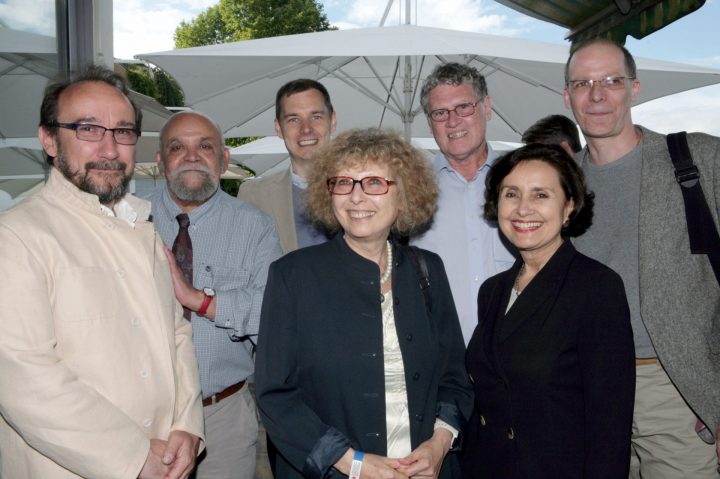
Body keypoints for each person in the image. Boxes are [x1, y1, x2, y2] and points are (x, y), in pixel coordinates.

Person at [0, 65, 204, 479]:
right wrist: (132, 456)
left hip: (166, 460)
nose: (110, 150)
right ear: (49, 140)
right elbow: (24, 377)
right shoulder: (16, 235)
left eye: (123, 131)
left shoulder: (142, 229)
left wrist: (188, 426)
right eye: (89, 130)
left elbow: (176, 334)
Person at [255, 128, 473, 479]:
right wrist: (353, 463)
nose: (356, 197)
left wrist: (440, 443)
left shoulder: (427, 269)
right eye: (343, 183)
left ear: (404, 194)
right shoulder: (292, 276)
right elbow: (275, 395)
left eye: (374, 182)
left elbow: (454, 377)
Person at [563, 38, 720, 477]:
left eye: (611, 81)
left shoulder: (698, 159)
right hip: (588, 392)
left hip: (677, 388)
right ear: (567, 95)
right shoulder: (559, 186)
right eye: (583, 83)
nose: (596, 95)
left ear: (634, 88)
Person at [462, 143, 635, 478]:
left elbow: (610, 425)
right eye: (511, 194)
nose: (523, 209)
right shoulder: (493, 291)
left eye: (541, 195)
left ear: (568, 207)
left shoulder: (596, 287)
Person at [145, 110, 282, 479]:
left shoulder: (255, 227)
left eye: (205, 146)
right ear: (160, 162)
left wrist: (200, 301)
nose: (191, 156)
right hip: (140, 415)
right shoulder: (128, 222)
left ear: (223, 160)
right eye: (177, 147)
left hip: (222, 417)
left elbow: (274, 315)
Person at [413, 63, 516, 344]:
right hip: (442, 360)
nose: (453, 121)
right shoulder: (410, 192)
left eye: (464, 107)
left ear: (488, 107)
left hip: (517, 355)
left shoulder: (523, 182)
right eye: (440, 113)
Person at [239, 78, 337, 253]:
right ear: (278, 128)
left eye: (316, 117)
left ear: (333, 121)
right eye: (293, 119)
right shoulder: (254, 195)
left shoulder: (363, 188)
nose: (306, 129)